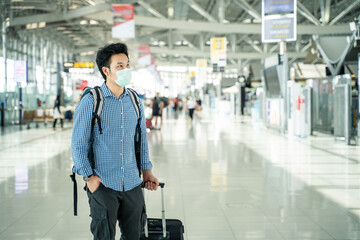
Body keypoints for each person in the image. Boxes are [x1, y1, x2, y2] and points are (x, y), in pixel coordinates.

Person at [71, 42, 159, 240]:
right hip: (103, 184)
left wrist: (147, 171)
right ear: (106, 70)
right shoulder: (92, 101)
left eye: (127, 65)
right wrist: (89, 177)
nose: (126, 69)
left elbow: (141, 139)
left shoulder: (135, 100)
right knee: (104, 236)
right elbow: (78, 143)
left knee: (134, 235)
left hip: (132, 183)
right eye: (120, 66)